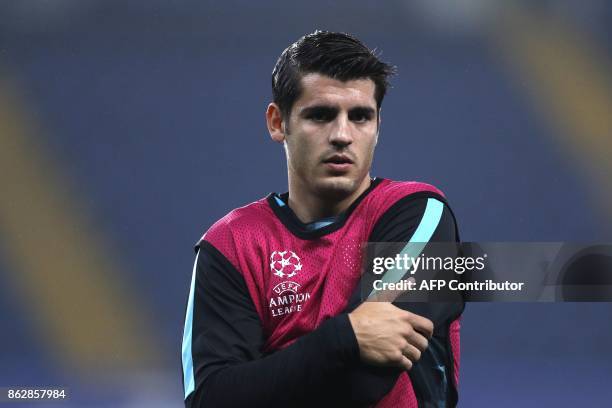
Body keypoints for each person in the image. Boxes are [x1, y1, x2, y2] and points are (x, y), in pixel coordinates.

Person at [181, 30, 464, 407]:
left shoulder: (420, 214)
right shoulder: (231, 244)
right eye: (321, 115)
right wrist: (345, 338)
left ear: (378, 125)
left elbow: (364, 384)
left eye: (360, 116)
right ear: (278, 122)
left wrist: (263, 374)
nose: (342, 135)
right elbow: (211, 399)